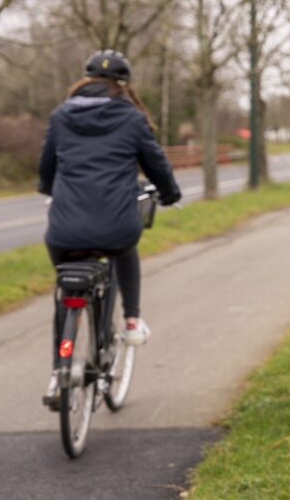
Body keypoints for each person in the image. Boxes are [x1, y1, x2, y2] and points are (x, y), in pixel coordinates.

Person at [38, 51, 181, 403]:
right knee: (124, 249)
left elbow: (46, 167)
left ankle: (60, 369)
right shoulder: (132, 118)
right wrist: (169, 193)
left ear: (85, 79)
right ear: (123, 84)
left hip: (64, 229)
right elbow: (156, 163)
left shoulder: (61, 115)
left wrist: (49, 189)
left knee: (67, 285)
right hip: (115, 225)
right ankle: (131, 322)